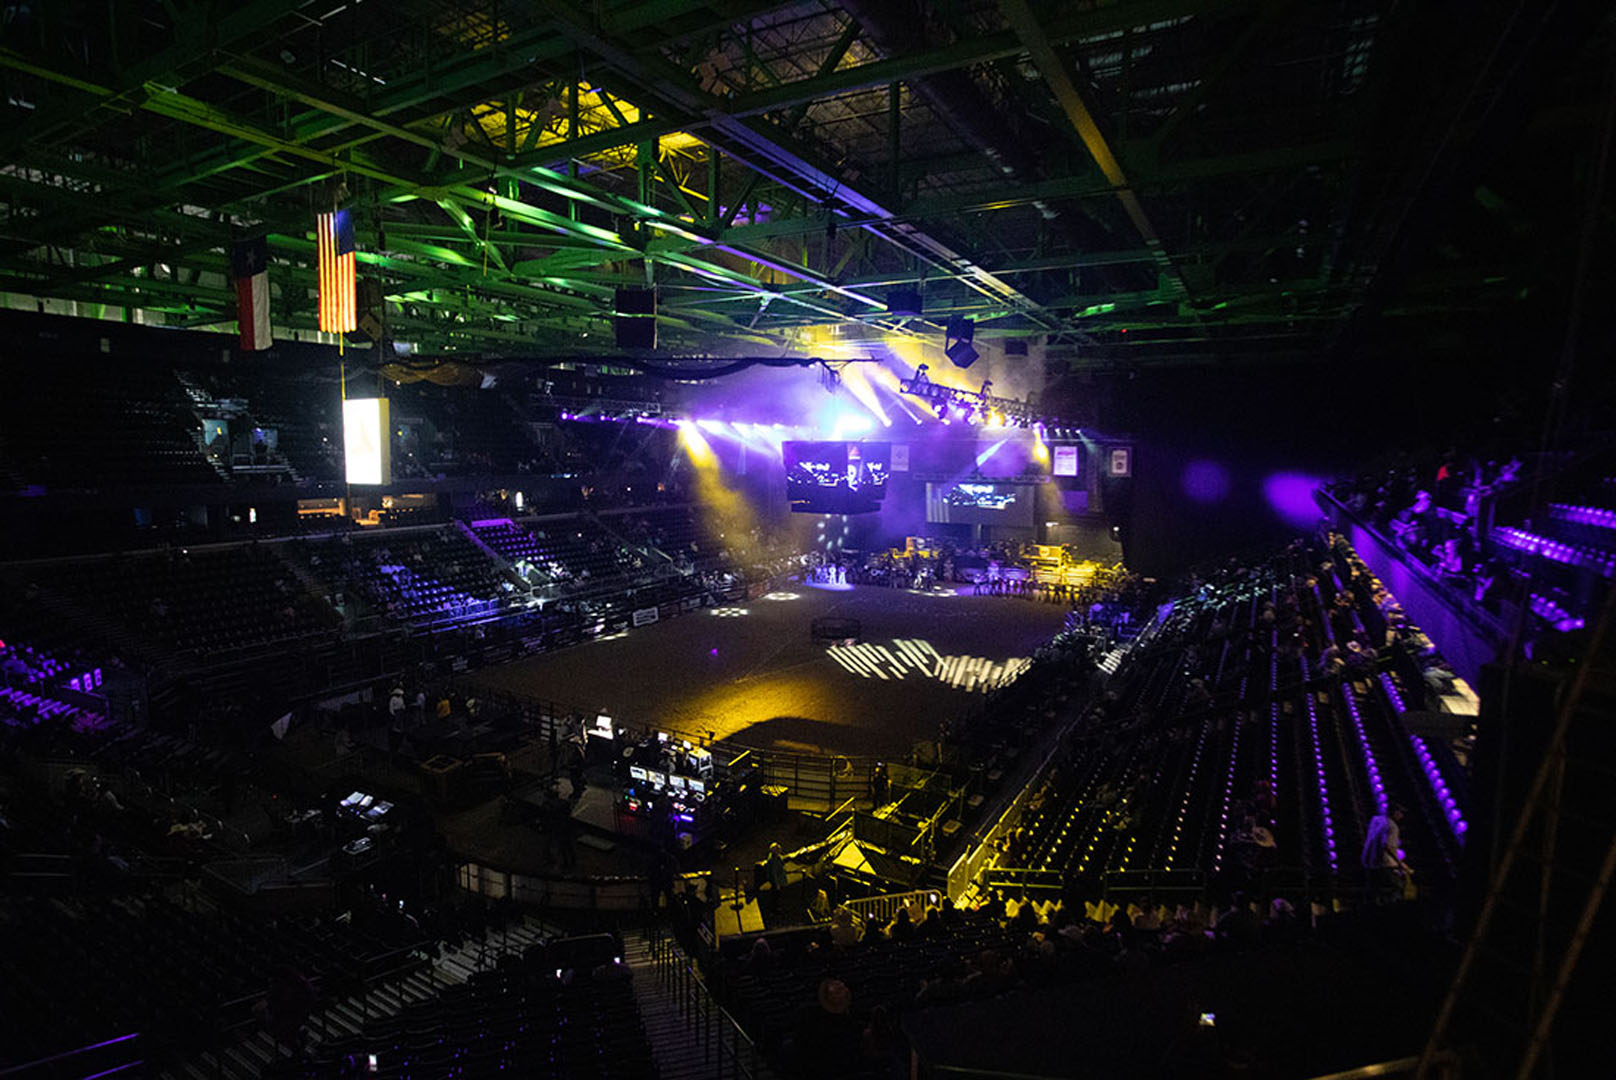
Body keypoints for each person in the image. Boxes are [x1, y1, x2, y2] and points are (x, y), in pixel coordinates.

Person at [1361, 803, 1411, 903]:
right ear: (1395, 813)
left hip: (1371, 863)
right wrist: (1400, 863)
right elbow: (1388, 846)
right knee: (1396, 886)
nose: (1402, 816)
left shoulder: (1377, 821)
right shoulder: (1392, 826)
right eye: (1401, 813)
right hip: (1385, 863)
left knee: (1374, 891)